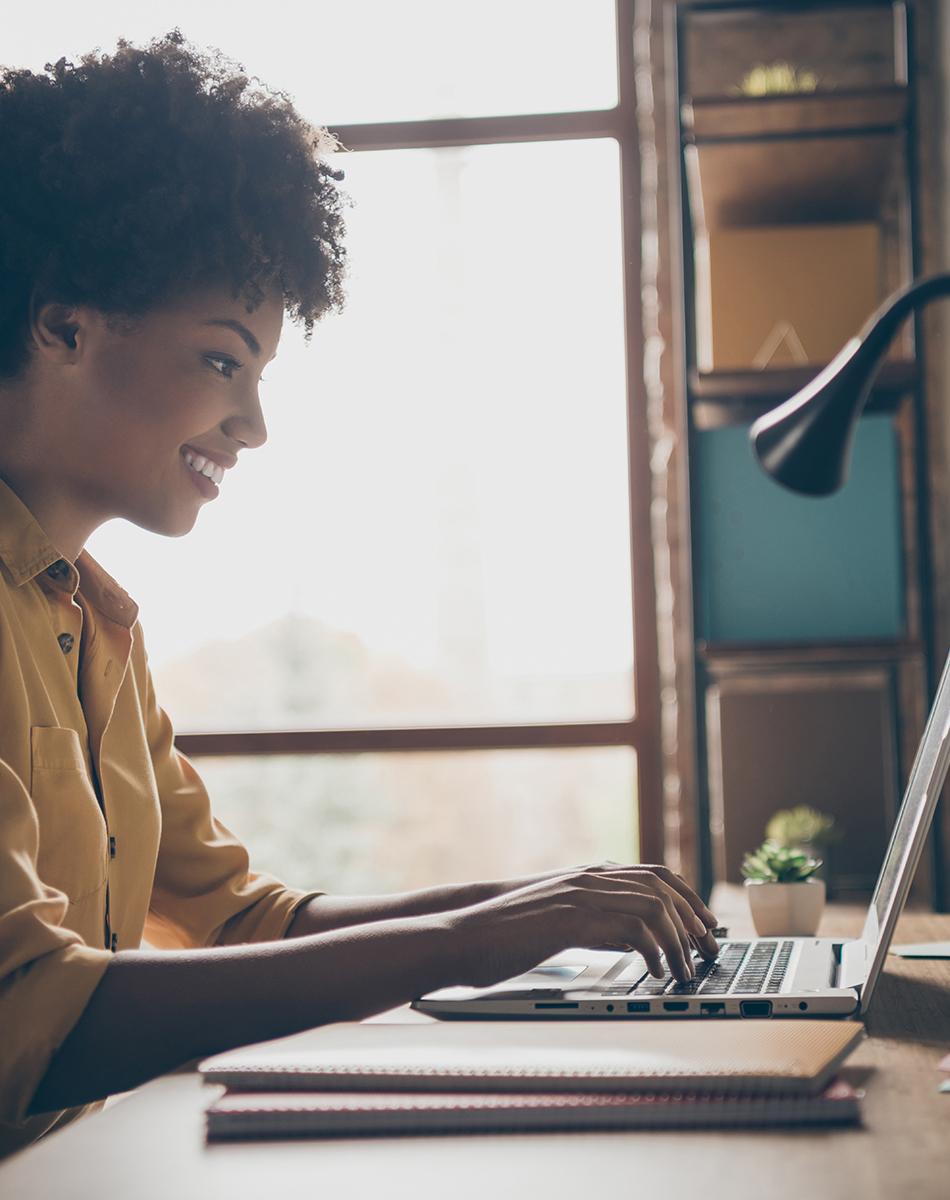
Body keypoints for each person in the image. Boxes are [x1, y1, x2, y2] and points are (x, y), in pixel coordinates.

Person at [0, 32, 719, 1158]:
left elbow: (236, 922)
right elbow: (28, 1018)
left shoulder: (91, 620)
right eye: (223, 362)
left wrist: (534, 906)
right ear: (61, 325)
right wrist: (461, 943)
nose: (253, 426)